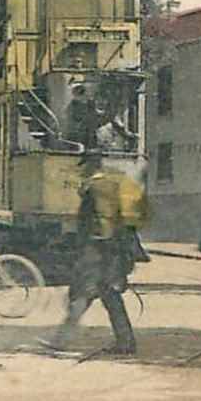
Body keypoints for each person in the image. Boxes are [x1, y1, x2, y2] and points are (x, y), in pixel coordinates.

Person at [52, 151, 144, 355]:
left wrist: (87, 250)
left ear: (90, 166)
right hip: (111, 252)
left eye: (84, 167)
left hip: (97, 252)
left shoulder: (94, 188)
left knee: (82, 293)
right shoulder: (112, 185)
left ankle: (61, 339)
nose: (82, 172)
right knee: (109, 296)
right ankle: (126, 341)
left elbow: (97, 226)